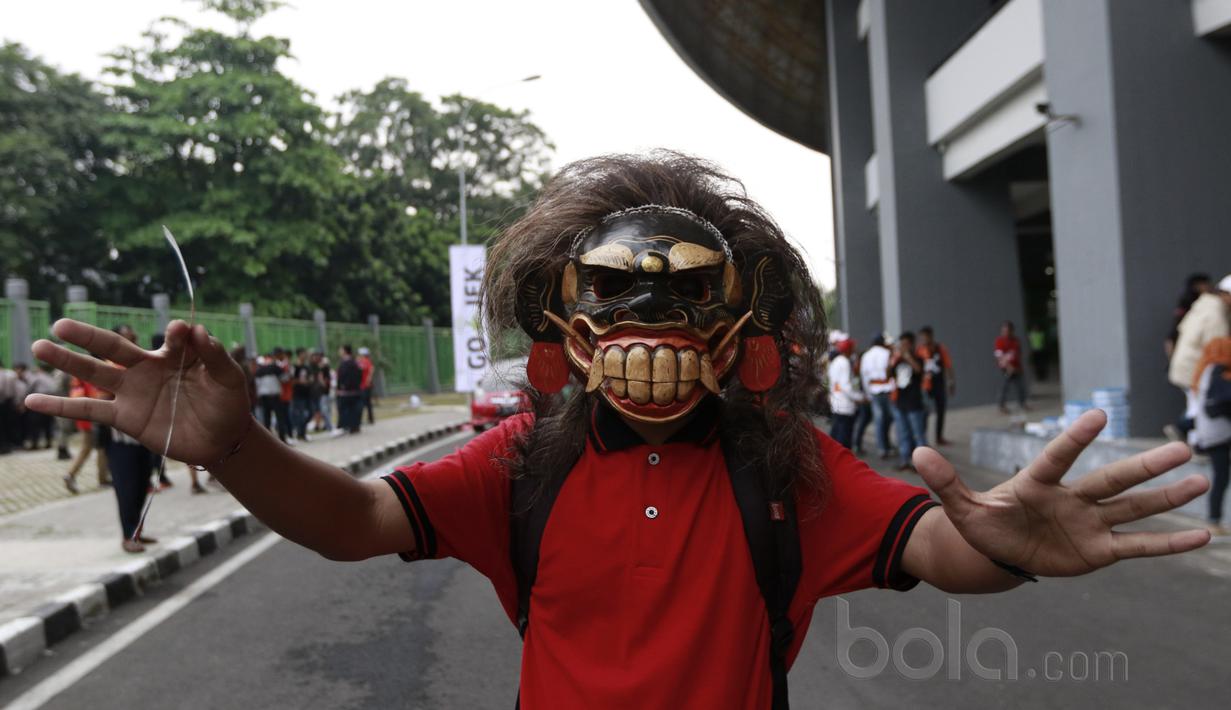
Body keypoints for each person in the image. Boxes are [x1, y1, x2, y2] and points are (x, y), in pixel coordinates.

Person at [25, 153, 1213, 708]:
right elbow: (357, 520)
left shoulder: (787, 467)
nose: (651, 325)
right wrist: (235, 445)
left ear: (745, 321)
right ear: (563, 320)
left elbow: (932, 544)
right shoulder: (520, 464)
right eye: (617, 296)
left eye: (687, 297)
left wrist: (1009, 539)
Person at [1167, 274, 1231, 442]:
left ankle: (1192, 439)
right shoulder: (1216, 312)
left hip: (1186, 364)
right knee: (1201, 409)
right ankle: (1184, 431)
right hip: (1194, 367)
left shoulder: (1205, 304)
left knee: (1196, 407)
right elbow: (1216, 349)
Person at [1192, 337, 1231, 535]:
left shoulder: (1205, 370)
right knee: (1222, 477)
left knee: (1221, 477)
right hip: (1219, 435)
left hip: (1209, 434)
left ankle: (1214, 520)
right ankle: (1214, 520)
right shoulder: (1217, 371)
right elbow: (1223, 400)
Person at [891, 331, 927, 471]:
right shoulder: (898, 360)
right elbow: (889, 375)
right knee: (903, 433)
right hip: (900, 402)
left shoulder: (918, 358)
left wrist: (907, 356)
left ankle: (922, 464)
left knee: (918, 434)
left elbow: (919, 371)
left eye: (906, 344)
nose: (903, 347)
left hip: (914, 402)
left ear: (911, 345)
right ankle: (905, 460)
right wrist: (894, 359)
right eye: (902, 344)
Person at [916, 326, 955, 446]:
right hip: (926, 386)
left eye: (926, 336)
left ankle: (939, 436)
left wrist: (951, 381)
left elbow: (948, 365)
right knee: (925, 412)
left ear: (931, 336)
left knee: (941, 411)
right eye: (922, 337)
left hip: (939, 384)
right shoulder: (919, 350)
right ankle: (923, 439)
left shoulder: (940, 348)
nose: (924, 339)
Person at [859, 333, 895, 460]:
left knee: (879, 421)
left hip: (873, 390)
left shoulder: (866, 355)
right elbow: (891, 373)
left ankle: (882, 448)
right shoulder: (886, 352)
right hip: (887, 389)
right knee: (890, 419)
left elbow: (864, 376)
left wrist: (867, 393)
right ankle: (888, 445)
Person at [1165, 273, 1212, 360]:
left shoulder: (1209, 302)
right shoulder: (1187, 304)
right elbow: (1172, 334)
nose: (1208, 287)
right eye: (1204, 284)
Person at [826, 336, 861, 449]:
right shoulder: (845, 362)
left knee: (836, 433)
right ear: (848, 349)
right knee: (844, 438)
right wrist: (858, 397)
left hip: (836, 400)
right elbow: (845, 386)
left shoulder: (835, 361)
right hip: (845, 403)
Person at [254, 351, 289, 442]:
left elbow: (257, 384)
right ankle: (282, 438)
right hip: (275, 396)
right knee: (280, 417)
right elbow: (285, 379)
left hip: (264, 397)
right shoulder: (275, 367)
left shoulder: (259, 370)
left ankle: (268, 440)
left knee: (267, 419)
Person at [994, 320, 1027, 413]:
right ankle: (1001, 406)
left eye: (1007, 331)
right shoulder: (999, 341)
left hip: (1017, 368)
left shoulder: (1015, 341)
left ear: (1012, 331)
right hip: (1006, 369)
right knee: (1004, 388)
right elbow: (999, 356)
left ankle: (1022, 403)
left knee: (1021, 387)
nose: (1005, 333)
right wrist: (1008, 367)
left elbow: (1017, 354)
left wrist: (1018, 368)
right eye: (1003, 331)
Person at [335, 345, 363, 434]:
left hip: (346, 392)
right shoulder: (355, 362)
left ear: (345, 351)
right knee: (354, 410)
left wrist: (342, 387)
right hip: (355, 390)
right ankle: (354, 426)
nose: (339, 351)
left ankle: (345, 427)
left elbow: (343, 377)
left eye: (341, 350)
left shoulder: (346, 363)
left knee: (346, 410)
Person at [291, 348, 313, 441]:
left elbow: (310, 378)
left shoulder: (307, 367)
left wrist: (309, 381)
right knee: (300, 414)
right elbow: (292, 380)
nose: (305, 356)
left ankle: (302, 431)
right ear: (299, 355)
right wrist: (300, 382)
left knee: (310, 413)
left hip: (307, 393)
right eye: (303, 354)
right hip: (298, 394)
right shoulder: (294, 367)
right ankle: (301, 433)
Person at [357, 346, 376, 425]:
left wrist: (368, 380)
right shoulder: (368, 361)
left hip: (364, 386)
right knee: (368, 403)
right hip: (366, 385)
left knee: (362, 403)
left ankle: (359, 420)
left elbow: (370, 371)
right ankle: (370, 419)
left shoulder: (364, 361)